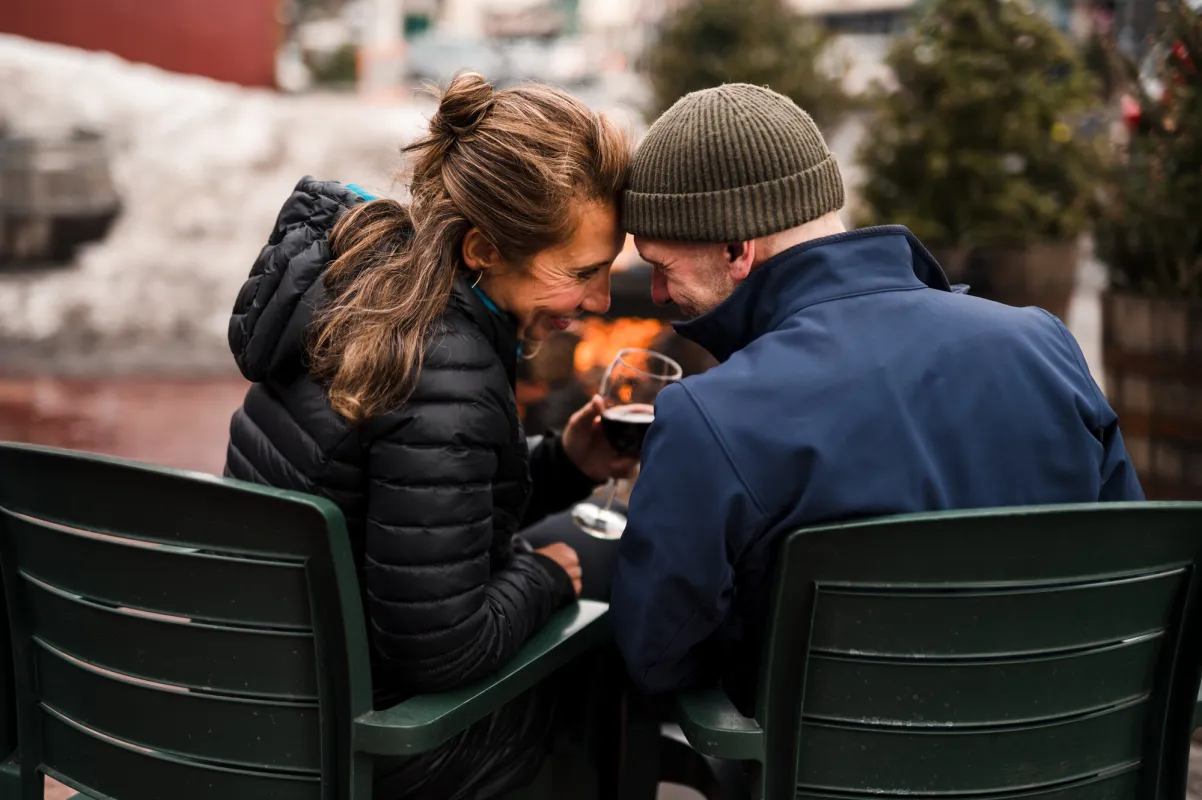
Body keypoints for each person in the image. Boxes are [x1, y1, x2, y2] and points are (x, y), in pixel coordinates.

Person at [610, 83, 1145, 715]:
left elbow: (655, 654)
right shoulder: (1043, 345)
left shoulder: (708, 418)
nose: (661, 297)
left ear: (736, 250)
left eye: (662, 267)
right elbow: (1134, 579)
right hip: (1073, 766)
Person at [224, 73, 634, 799]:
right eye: (582, 273)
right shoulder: (446, 364)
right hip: (362, 743)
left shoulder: (365, 287)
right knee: (609, 617)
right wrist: (545, 578)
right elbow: (443, 652)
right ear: (483, 249)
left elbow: (418, 507)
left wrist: (565, 465)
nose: (600, 302)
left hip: (260, 692)